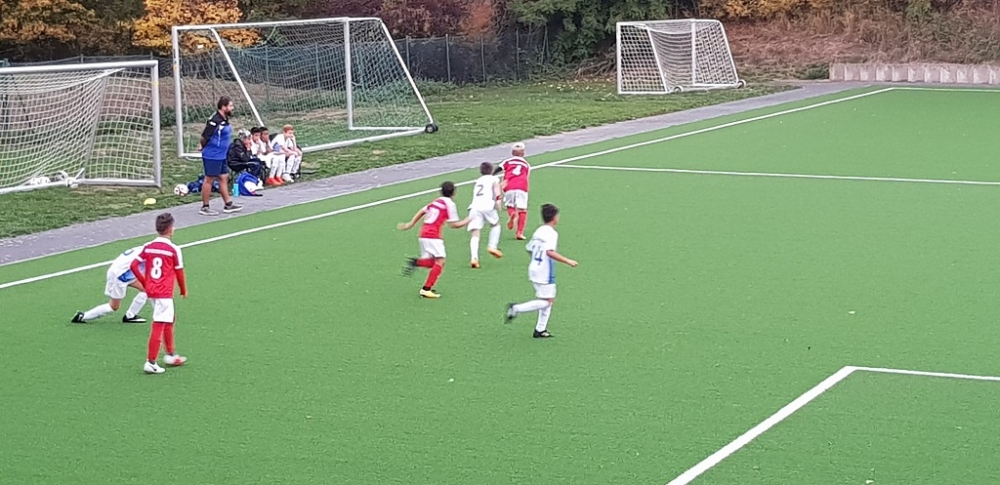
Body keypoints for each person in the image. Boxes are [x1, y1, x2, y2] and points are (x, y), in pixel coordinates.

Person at [505, 204, 578, 338]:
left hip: (534, 268)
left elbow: (529, 248)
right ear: (554, 217)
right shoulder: (551, 233)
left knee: (546, 299)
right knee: (548, 301)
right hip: (545, 272)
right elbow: (549, 252)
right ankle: (516, 308)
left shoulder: (539, 230)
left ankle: (540, 329)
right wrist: (567, 261)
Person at [130, 213, 188, 374]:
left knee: (169, 318)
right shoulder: (173, 249)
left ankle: (170, 354)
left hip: (152, 291)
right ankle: (151, 362)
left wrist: (145, 282)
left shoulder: (148, 246)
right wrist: (183, 289)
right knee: (159, 323)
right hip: (164, 292)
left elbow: (134, 265)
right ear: (170, 229)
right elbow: (179, 272)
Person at [397, 181, 471, 299]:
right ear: (454, 193)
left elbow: (422, 211)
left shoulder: (436, 201)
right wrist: (468, 220)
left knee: (433, 262)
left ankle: (416, 262)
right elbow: (454, 225)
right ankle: (426, 289)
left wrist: (410, 224)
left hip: (423, 234)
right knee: (440, 261)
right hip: (433, 235)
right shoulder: (450, 204)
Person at [71, 245, 150, 324]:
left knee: (147, 289)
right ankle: (83, 316)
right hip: (119, 275)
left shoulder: (149, 247)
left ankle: (130, 316)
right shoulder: (152, 252)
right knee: (113, 306)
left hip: (125, 272)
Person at [198, 96, 243, 216]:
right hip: (213, 155)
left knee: (223, 177)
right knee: (209, 180)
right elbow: (205, 136)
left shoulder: (224, 119)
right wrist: (202, 146)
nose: (232, 108)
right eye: (230, 106)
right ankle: (205, 207)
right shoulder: (215, 121)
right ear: (223, 107)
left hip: (222, 155)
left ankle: (228, 204)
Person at [467, 161, 504, 268]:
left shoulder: (478, 181)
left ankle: (474, 258)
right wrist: (499, 202)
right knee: (495, 225)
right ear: (492, 170)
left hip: (475, 207)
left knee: (475, 232)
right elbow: (497, 192)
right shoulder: (494, 179)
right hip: (488, 205)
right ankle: (492, 246)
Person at [495, 142, 531, 240]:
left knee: (510, 206)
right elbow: (526, 177)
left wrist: (491, 175)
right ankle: (519, 232)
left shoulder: (508, 161)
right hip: (521, 186)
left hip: (509, 185)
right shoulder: (526, 164)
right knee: (522, 210)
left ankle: (512, 214)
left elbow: (499, 168)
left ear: (512, 152)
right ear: (523, 153)